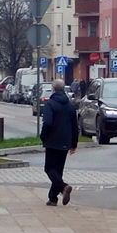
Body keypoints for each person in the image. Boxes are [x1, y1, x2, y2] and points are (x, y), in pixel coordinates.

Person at [40, 78, 79, 206]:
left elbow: (48, 123)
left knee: (49, 168)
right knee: (58, 170)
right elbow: (75, 126)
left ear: (54, 89)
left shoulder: (50, 104)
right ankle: (53, 198)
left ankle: (63, 187)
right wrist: (74, 144)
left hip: (52, 141)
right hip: (65, 142)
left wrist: (43, 136)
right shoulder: (70, 106)